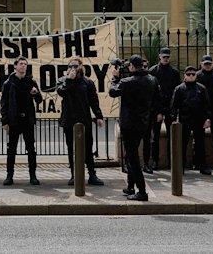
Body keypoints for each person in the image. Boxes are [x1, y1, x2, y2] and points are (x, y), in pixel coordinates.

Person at [109, 55, 159, 201]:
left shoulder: (128, 82)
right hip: (142, 123)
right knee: (131, 155)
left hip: (129, 124)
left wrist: (115, 78)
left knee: (133, 158)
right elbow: (158, 98)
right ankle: (130, 186)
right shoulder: (152, 80)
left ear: (131, 66)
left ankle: (142, 191)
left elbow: (112, 91)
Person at [56, 56, 105, 186]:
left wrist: (98, 116)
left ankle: (92, 174)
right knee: (71, 148)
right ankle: (74, 175)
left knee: (88, 148)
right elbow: (61, 92)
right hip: (69, 120)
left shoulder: (87, 82)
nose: (73, 68)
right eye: (71, 66)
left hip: (84, 119)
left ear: (80, 67)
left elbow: (94, 100)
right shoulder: (63, 80)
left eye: (75, 66)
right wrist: (69, 80)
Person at [0, 56, 43, 186]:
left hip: (27, 120)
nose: (23, 66)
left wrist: (36, 93)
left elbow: (39, 100)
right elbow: (4, 103)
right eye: (21, 64)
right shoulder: (8, 83)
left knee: (31, 148)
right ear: (15, 66)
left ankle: (33, 175)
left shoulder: (31, 81)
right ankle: (9, 175)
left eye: (25, 64)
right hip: (14, 120)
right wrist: (5, 121)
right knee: (11, 149)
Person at [171, 65, 212, 176]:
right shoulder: (179, 89)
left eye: (193, 74)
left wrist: (208, 119)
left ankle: (202, 166)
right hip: (184, 120)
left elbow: (207, 105)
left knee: (200, 144)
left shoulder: (201, 88)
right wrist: (173, 120)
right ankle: (180, 167)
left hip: (199, 120)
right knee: (182, 144)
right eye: (188, 74)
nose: (191, 76)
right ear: (184, 75)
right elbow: (174, 105)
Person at [147, 47, 179, 173]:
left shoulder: (174, 72)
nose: (165, 59)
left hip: (170, 107)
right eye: (164, 57)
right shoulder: (153, 71)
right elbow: (152, 93)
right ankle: (155, 160)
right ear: (159, 57)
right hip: (157, 108)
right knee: (155, 136)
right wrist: (158, 110)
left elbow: (177, 92)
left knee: (172, 135)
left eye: (167, 57)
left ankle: (172, 160)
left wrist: (174, 109)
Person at [196, 55, 213, 170]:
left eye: (209, 64)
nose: (207, 66)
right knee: (199, 138)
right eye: (205, 64)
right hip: (200, 110)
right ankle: (199, 162)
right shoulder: (197, 76)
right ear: (201, 64)